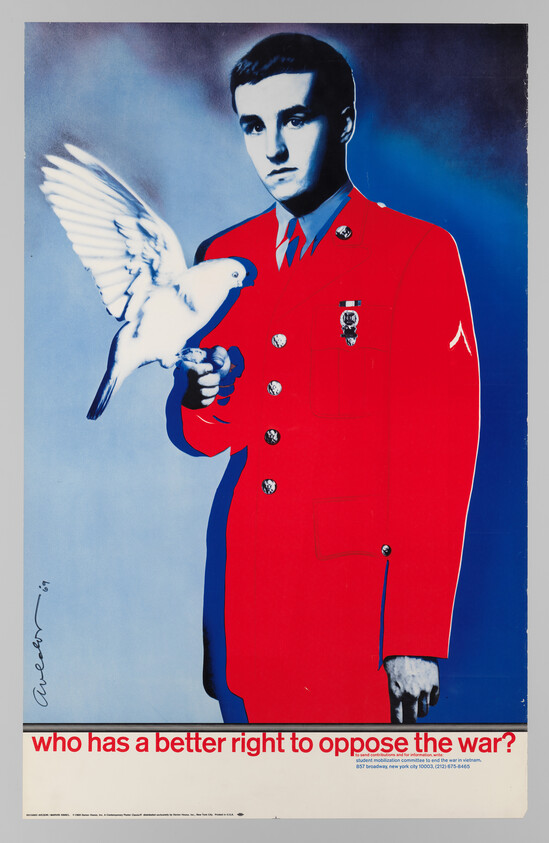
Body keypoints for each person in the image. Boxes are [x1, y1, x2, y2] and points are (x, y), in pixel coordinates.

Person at [168, 33, 480, 724]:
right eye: (253, 126)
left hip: (354, 614)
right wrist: (204, 395)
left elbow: (441, 456)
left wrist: (413, 636)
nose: (273, 148)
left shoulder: (417, 253)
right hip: (246, 598)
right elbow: (204, 435)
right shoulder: (224, 255)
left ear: (344, 122)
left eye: (295, 119)